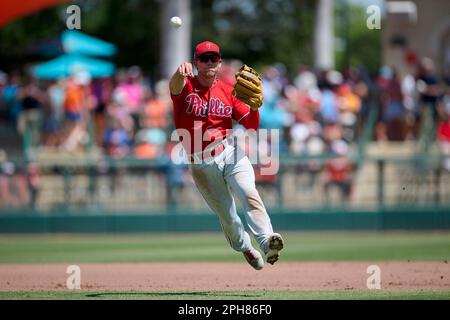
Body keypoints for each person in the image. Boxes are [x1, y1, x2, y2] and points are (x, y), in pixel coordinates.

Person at [169, 41, 284, 270]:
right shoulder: (186, 85)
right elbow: (174, 87)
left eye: (213, 58)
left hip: (229, 152)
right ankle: (245, 247)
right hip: (200, 163)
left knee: (249, 193)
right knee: (229, 217)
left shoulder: (229, 89)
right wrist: (177, 73)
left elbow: (251, 125)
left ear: (219, 62)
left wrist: (254, 107)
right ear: (196, 63)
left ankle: (266, 241)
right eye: (204, 59)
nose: (209, 63)